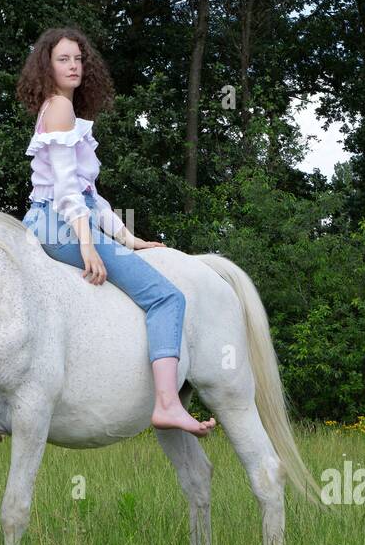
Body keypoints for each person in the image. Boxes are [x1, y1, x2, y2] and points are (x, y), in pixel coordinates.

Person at [13, 26, 216, 438]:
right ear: (46, 67)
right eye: (63, 59)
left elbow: (92, 197)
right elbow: (70, 194)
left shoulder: (60, 111)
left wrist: (128, 239)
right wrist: (88, 245)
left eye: (78, 59)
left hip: (46, 221)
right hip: (62, 225)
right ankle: (166, 403)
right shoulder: (59, 110)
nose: (74, 66)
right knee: (167, 296)